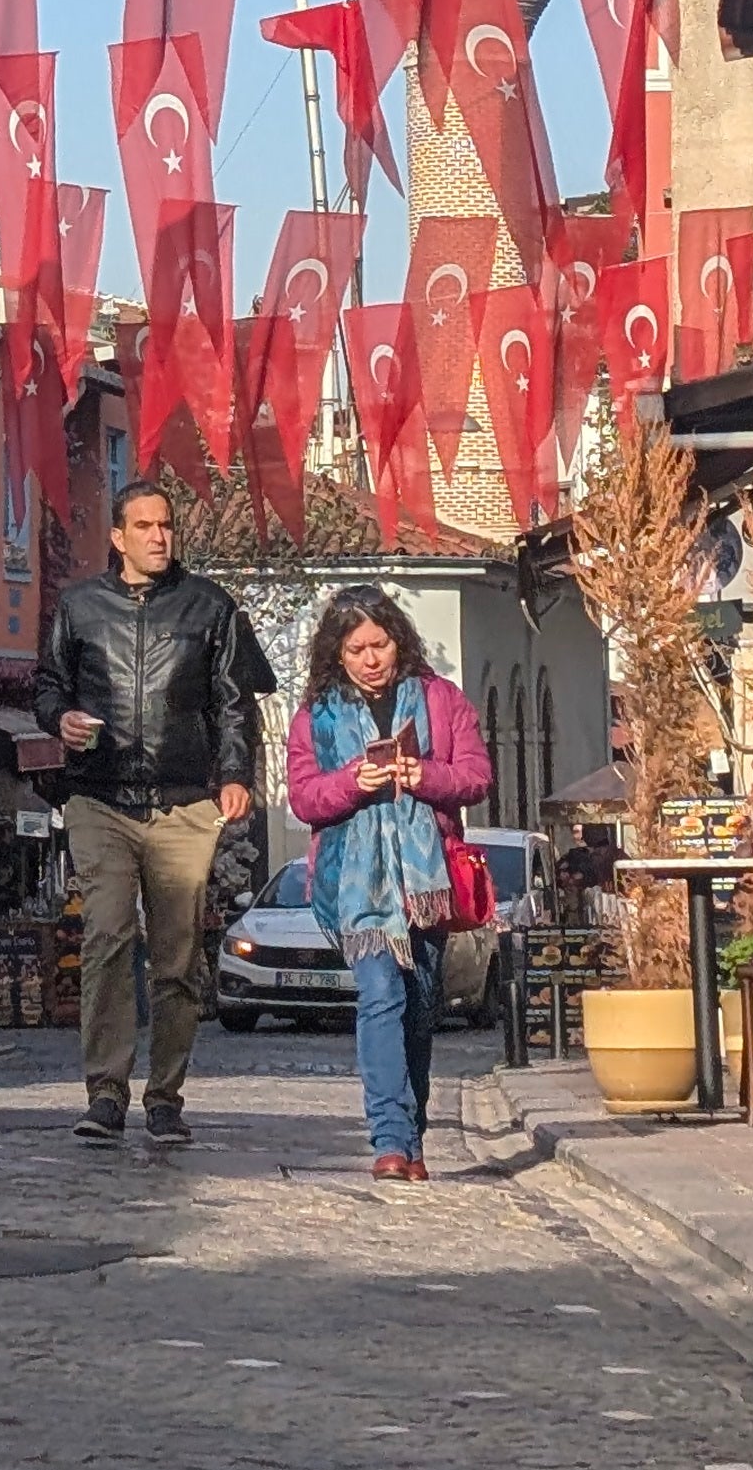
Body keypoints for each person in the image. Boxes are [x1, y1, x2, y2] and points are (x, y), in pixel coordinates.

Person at [30, 480, 259, 1147]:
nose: (159, 536)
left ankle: (164, 1097)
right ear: (118, 536)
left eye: (167, 525)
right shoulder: (80, 606)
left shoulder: (210, 607)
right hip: (98, 797)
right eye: (145, 526)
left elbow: (232, 702)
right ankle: (105, 1094)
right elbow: (49, 684)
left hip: (183, 801)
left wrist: (235, 774)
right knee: (105, 935)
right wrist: (59, 717)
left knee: (177, 956)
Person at [285, 586, 494, 1180]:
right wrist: (356, 780)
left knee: (419, 1006)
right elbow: (304, 798)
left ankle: (413, 1132)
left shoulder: (441, 699)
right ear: (338, 654)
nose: (371, 658)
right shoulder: (315, 716)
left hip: (426, 879)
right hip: (355, 886)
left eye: (380, 644)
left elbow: (477, 777)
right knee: (382, 995)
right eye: (357, 649)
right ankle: (389, 1141)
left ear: (399, 642)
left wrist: (420, 774)